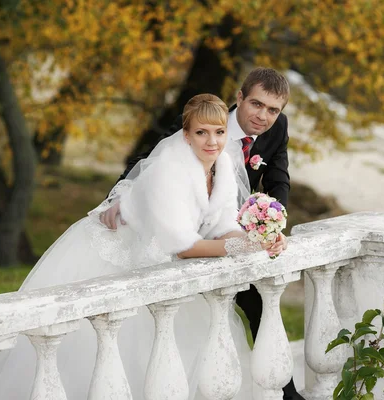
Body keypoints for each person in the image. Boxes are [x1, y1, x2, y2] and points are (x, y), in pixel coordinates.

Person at [0, 94, 285, 399]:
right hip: (115, 254)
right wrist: (244, 248)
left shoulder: (222, 165)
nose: (212, 141)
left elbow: (223, 226)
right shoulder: (170, 169)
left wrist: (262, 239)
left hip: (160, 256)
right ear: (186, 135)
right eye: (201, 132)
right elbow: (184, 247)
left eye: (219, 132)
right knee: (107, 351)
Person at [101, 67, 303, 400]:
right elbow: (148, 163)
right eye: (256, 105)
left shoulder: (266, 135)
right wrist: (122, 199)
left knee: (253, 305)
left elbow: (278, 177)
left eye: (273, 109)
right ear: (239, 99)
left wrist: (270, 227)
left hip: (219, 224)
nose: (263, 116)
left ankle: (286, 391)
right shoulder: (194, 128)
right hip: (173, 235)